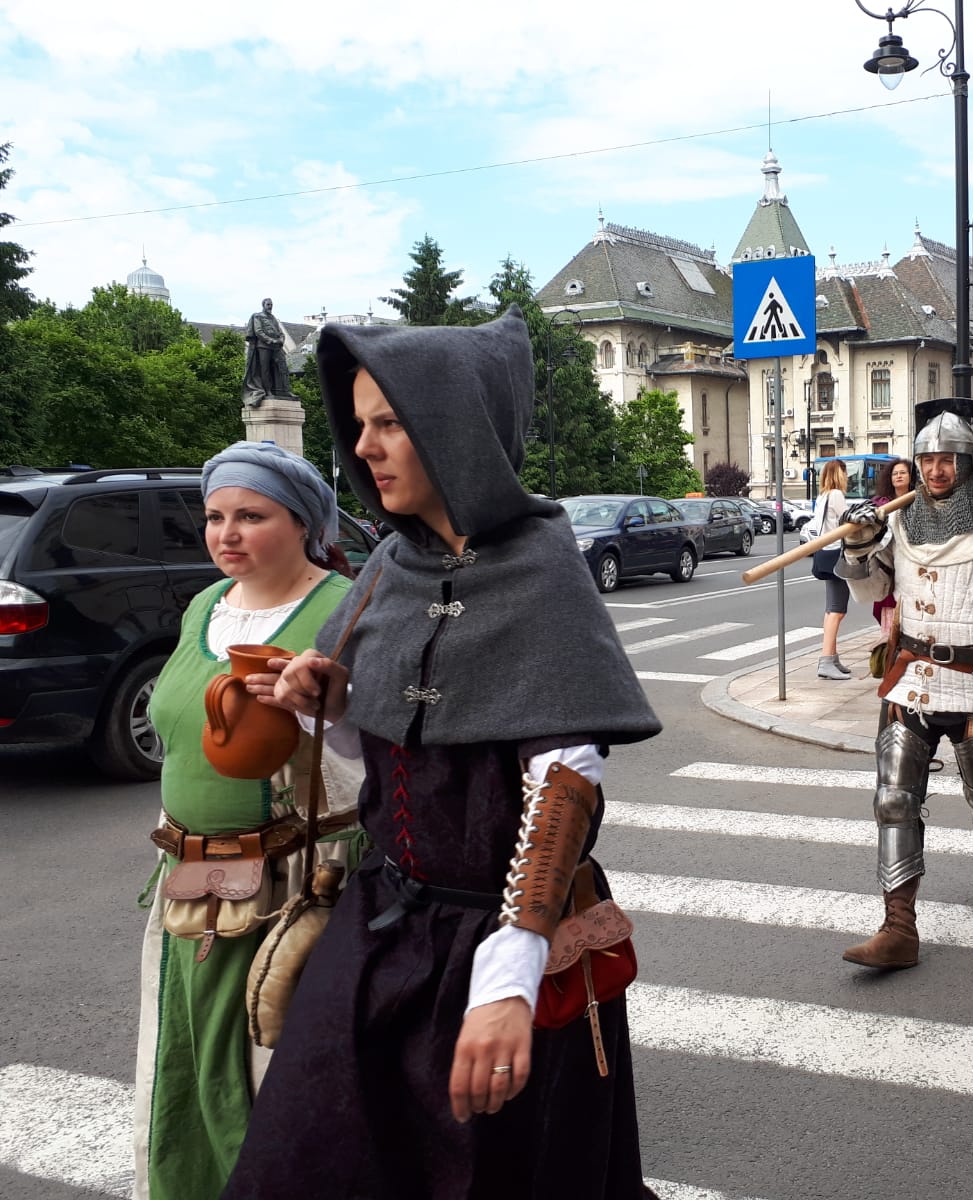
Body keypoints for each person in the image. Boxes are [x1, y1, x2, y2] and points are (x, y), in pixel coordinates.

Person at [220, 308, 663, 1200]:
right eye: (360, 424)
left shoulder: (542, 567)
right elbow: (390, 749)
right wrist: (331, 701)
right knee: (303, 1159)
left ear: (454, 428)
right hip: (378, 925)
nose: (365, 446)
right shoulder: (389, 566)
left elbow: (564, 784)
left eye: (390, 422)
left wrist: (508, 980)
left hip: (501, 935)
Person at [135, 441, 357, 1200]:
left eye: (251, 516)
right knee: (185, 1061)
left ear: (303, 525)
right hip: (188, 880)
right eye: (214, 516)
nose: (226, 534)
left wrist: (323, 707)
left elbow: (381, 750)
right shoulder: (205, 606)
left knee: (266, 1077)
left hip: (290, 882)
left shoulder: (342, 610)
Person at [831, 399, 973, 969]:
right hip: (910, 679)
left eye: (947, 460)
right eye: (926, 460)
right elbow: (872, 591)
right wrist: (858, 545)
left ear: (967, 464)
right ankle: (898, 926)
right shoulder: (900, 522)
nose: (935, 470)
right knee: (892, 800)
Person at [813, 458, 854, 680]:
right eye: (845, 473)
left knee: (831, 610)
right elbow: (848, 522)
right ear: (840, 474)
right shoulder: (836, 495)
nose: (847, 477)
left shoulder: (822, 496)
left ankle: (832, 658)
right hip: (837, 554)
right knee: (838, 610)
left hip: (824, 553)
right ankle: (826, 660)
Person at [869, 458, 915, 635]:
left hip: (912, 559)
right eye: (895, 473)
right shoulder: (881, 503)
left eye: (903, 472)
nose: (898, 476)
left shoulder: (920, 501)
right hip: (888, 562)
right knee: (889, 607)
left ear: (911, 476)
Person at [242, 298, 295, 406]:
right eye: (268, 304)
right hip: (264, 347)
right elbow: (259, 331)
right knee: (265, 369)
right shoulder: (258, 316)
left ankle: (285, 390)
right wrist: (270, 340)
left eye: (271, 304)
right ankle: (267, 391)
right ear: (263, 305)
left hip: (276, 347)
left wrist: (281, 340)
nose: (270, 306)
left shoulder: (273, 318)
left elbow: (281, 332)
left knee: (282, 368)